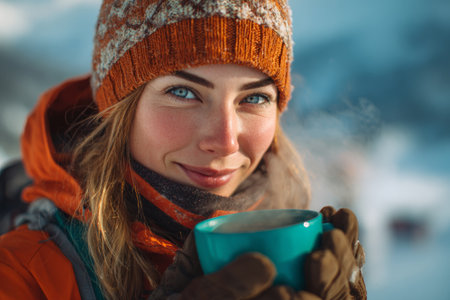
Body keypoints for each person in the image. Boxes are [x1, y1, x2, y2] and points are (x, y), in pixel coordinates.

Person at [0, 1, 366, 299]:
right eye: (183, 92)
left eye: (254, 98)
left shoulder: (297, 255)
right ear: (119, 109)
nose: (225, 141)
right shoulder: (23, 271)